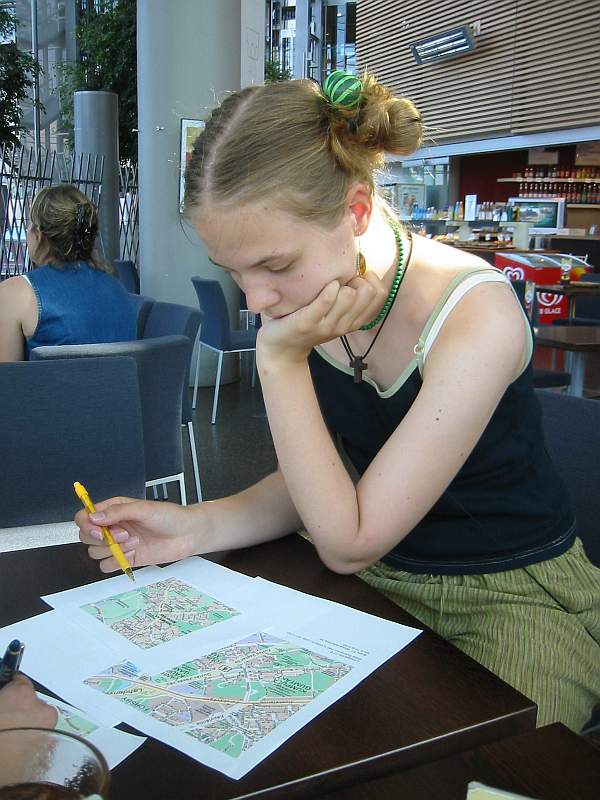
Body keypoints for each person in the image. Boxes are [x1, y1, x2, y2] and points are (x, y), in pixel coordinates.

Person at [75, 72, 600, 732]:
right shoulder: (319, 299)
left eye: (275, 265)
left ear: (355, 212)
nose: (256, 301)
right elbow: (333, 483)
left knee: (484, 766)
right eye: (234, 272)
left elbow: (349, 540)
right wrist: (194, 526)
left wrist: (280, 359)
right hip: (377, 582)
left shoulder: (474, 316)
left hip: (508, 593)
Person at [0, 184, 136, 361]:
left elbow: (6, 376)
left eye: (29, 225)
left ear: (38, 233)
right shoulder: (117, 289)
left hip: (51, 381)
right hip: (118, 380)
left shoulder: (16, 293)